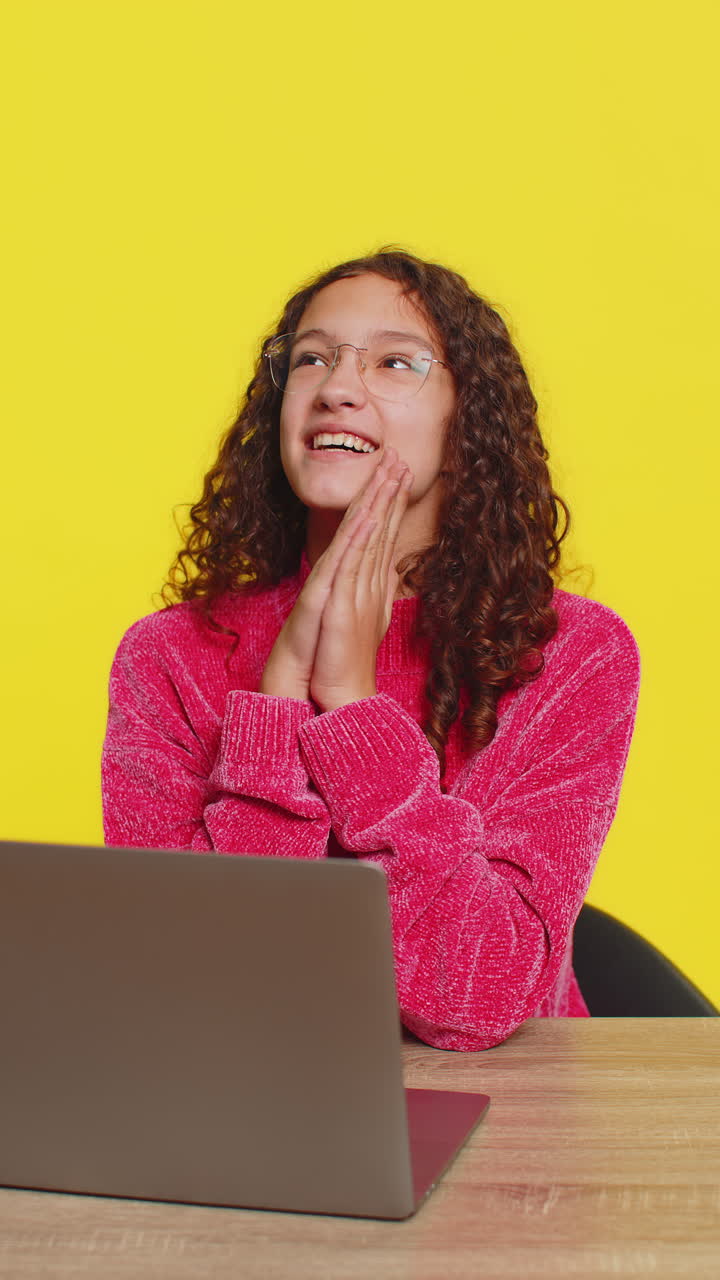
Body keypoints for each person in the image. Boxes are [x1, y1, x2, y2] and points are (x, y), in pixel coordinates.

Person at [102, 249, 640, 1051]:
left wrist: (352, 707)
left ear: (469, 424)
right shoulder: (170, 654)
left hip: (515, 1119)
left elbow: (477, 997)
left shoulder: (572, 653)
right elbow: (194, 987)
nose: (337, 387)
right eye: (312, 358)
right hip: (255, 1100)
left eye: (395, 362)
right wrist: (279, 695)